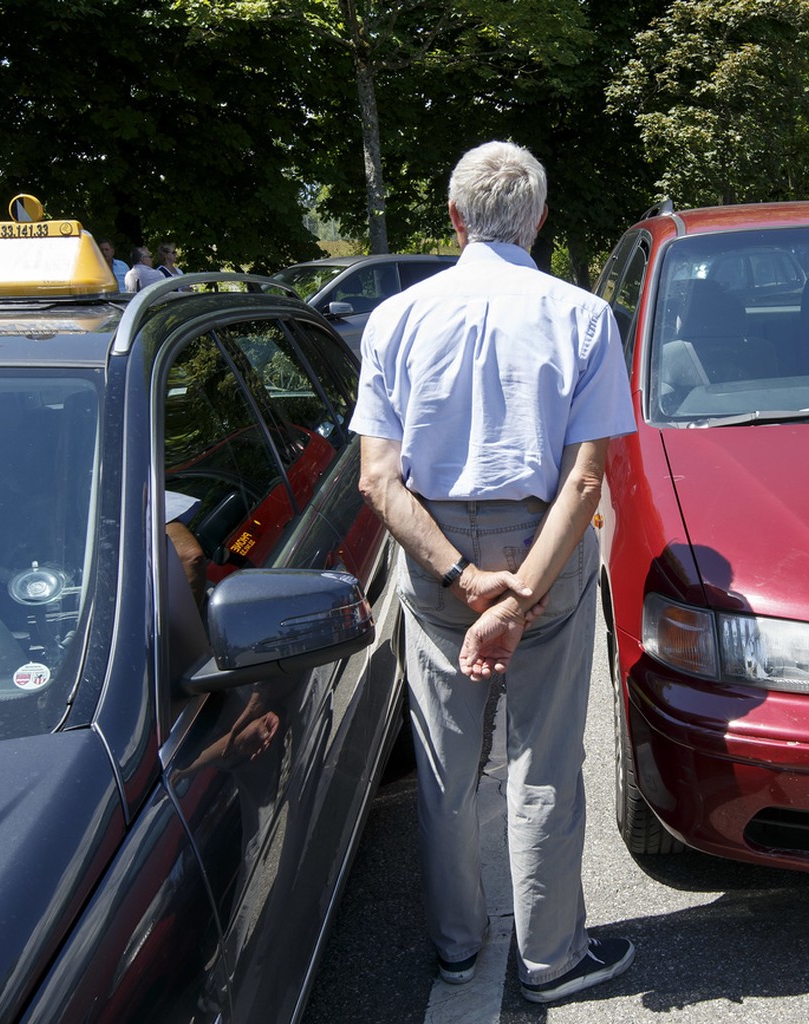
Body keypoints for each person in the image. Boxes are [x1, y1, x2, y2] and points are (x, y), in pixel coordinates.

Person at [352, 140, 637, 1004]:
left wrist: (462, 580)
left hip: (435, 550)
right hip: (544, 541)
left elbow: (377, 479)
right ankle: (551, 960)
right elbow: (587, 478)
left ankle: (456, 947)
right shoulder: (584, 317)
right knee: (545, 761)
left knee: (445, 766)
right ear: (540, 218)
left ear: (454, 217)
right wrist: (519, 593)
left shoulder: (395, 318)